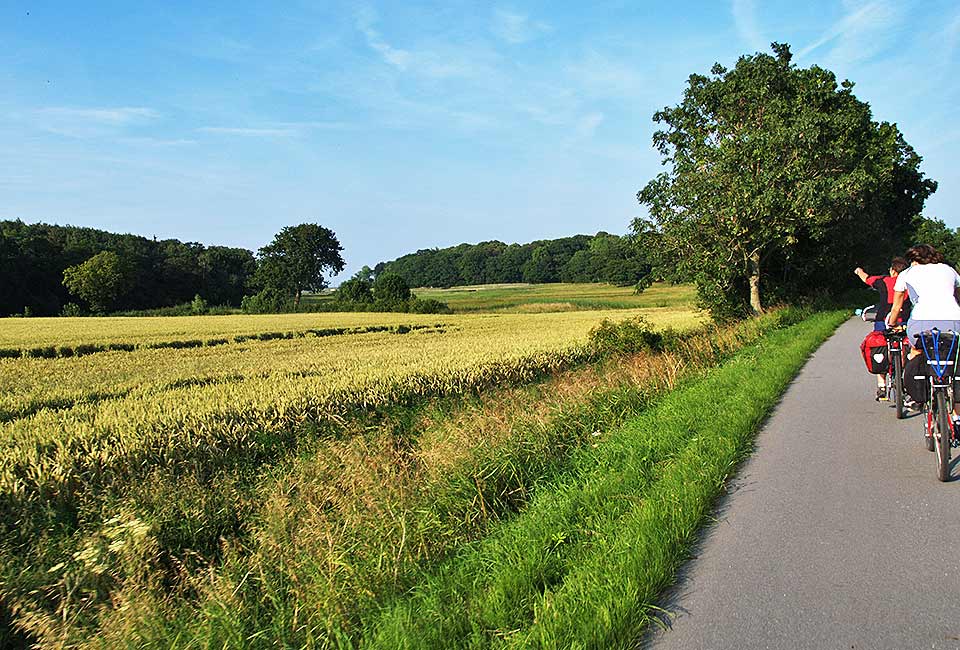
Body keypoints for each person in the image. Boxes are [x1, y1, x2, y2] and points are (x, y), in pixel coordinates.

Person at [886, 244, 960, 414]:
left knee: (917, 351)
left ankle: (916, 393)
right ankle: (956, 416)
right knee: (954, 356)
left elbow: (896, 308)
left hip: (920, 321)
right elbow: (957, 297)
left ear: (914, 260)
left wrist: (891, 324)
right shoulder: (948, 270)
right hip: (954, 320)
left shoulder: (906, 274)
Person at [854, 257, 911, 400]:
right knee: (907, 345)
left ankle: (881, 384)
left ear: (892, 270)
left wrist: (858, 270)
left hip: (883, 322)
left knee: (879, 344)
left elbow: (867, 278)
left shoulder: (883, 281)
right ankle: (901, 376)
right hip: (904, 321)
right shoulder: (911, 283)